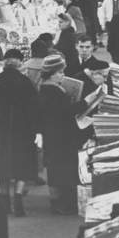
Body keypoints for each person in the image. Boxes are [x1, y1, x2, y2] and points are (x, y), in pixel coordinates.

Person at [0, 49, 39, 216]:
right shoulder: (26, 82)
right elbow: (33, 107)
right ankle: (17, 199)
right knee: (22, 164)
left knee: (2, 165)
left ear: (5, 61)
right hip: (22, 130)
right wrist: (35, 129)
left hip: (0, 129)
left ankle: (4, 201)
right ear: (20, 63)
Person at [38, 54, 84, 214]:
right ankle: (62, 204)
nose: (63, 75)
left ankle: (57, 202)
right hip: (61, 136)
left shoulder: (46, 88)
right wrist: (86, 102)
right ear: (51, 73)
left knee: (56, 168)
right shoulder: (53, 91)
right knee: (62, 168)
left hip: (53, 135)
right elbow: (65, 112)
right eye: (60, 72)